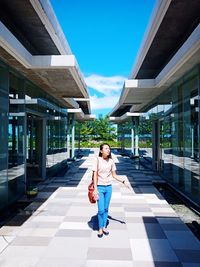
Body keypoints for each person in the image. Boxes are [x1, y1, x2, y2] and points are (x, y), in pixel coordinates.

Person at [92, 143, 130, 238]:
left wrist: (124, 181)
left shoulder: (111, 161)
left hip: (108, 187)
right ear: (101, 151)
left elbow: (114, 175)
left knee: (105, 209)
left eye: (109, 148)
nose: (108, 150)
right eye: (106, 148)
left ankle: (104, 227)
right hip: (99, 187)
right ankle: (100, 228)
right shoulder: (97, 160)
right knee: (100, 210)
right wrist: (95, 189)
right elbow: (95, 175)